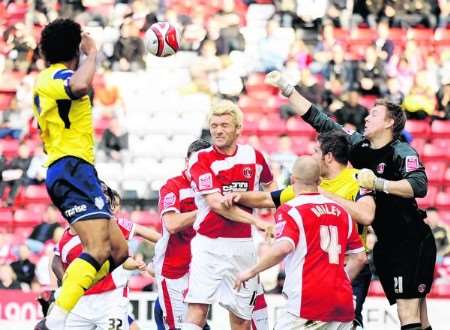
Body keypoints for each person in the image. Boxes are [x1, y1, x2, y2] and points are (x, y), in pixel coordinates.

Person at [266, 70, 437, 330]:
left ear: (390, 123)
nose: (366, 117)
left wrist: (379, 184)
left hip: (410, 239)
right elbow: (320, 121)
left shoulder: (401, 151)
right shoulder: (360, 147)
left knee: (408, 312)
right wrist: (287, 89)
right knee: (420, 318)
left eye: (375, 114)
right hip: (388, 243)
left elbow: (419, 186)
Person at [32, 18, 129, 329]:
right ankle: (56, 320)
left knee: (119, 251)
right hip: (70, 168)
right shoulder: (52, 77)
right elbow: (79, 85)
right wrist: (93, 53)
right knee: (98, 249)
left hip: (78, 170)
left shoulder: (54, 76)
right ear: (74, 50)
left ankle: (64, 299)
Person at [223, 130, 375, 328]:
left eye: (315, 151)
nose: (312, 155)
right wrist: (238, 195)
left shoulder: (358, 179)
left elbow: (366, 215)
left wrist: (322, 194)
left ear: (328, 157)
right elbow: (268, 198)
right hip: (335, 281)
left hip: (333, 277)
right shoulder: (324, 199)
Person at [182, 100, 274, 330]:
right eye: (214, 125)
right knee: (198, 308)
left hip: (243, 246)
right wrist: (257, 221)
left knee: (242, 317)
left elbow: (272, 189)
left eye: (224, 125)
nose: (218, 130)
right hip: (209, 245)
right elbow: (216, 204)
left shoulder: (254, 156)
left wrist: (274, 217)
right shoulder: (201, 158)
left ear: (238, 128)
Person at [47, 184, 161, 330]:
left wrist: (169, 243)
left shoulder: (113, 225)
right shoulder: (67, 237)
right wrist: (64, 288)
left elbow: (145, 234)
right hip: (80, 301)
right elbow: (56, 262)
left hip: (111, 300)